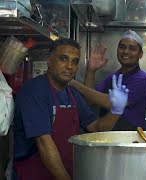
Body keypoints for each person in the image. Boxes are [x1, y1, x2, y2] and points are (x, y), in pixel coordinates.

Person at [12, 38, 129, 180]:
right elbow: (44, 143)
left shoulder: (72, 94)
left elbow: (95, 128)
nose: (69, 66)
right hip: (34, 173)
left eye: (75, 61)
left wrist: (116, 110)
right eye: (63, 59)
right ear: (49, 61)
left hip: (65, 171)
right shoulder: (34, 91)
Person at [69, 29, 146, 130]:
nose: (126, 51)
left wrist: (73, 83)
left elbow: (113, 103)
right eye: (122, 47)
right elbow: (89, 101)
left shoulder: (142, 79)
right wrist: (91, 71)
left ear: (140, 54)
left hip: (131, 137)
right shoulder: (113, 77)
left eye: (132, 48)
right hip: (109, 134)